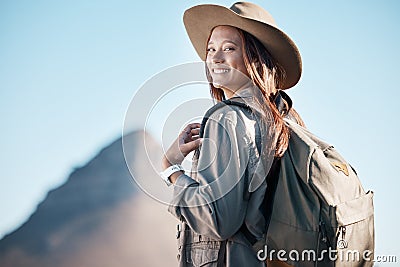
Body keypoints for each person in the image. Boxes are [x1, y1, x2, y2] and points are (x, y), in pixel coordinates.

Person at [161, 2, 304, 266]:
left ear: (256, 57)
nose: (215, 58)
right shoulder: (283, 119)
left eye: (229, 48)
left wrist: (171, 169)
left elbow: (217, 220)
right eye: (211, 49)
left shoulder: (226, 118)